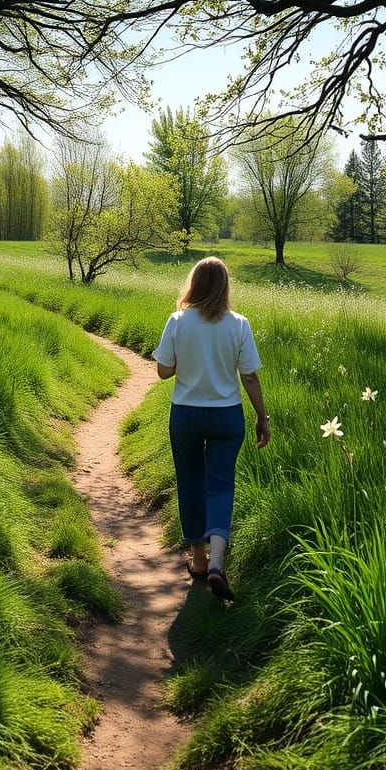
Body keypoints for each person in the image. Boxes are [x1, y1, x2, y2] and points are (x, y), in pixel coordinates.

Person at [152, 257, 270, 601]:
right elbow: (248, 376)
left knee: (190, 480)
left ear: (194, 284)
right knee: (220, 484)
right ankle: (218, 562)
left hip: (186, 414)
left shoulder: (177, 321)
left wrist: (187, 358)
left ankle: (199, 560)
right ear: (224, 286)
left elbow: (163, 371)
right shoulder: (239, 324)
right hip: (226, 416)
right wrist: (262, 417)